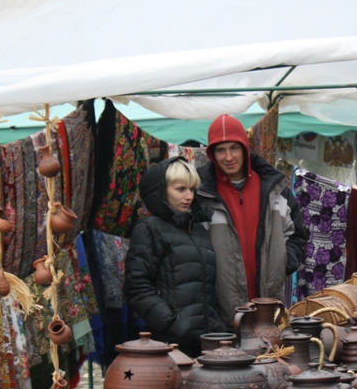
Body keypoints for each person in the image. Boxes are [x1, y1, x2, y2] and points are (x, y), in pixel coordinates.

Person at [197, 114, 307, 326]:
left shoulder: (276, 191)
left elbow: (297, 235)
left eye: (234, 148)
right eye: (220, 150)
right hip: (222, 308)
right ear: (211, 154)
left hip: (270, 304)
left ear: (245, 149)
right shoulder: (201, 196)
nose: (228, 157)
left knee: (271, 355)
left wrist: (283, 262)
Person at [124, 157, 226, 358]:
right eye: (181, 189)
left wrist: (217, 324)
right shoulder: (149, 229)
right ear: (161, 191)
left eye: (192, 189)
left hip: (208, 339)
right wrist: (172, 323)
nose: (189, 196)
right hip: (172, 343)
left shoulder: (197, 229)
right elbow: (137, 287)